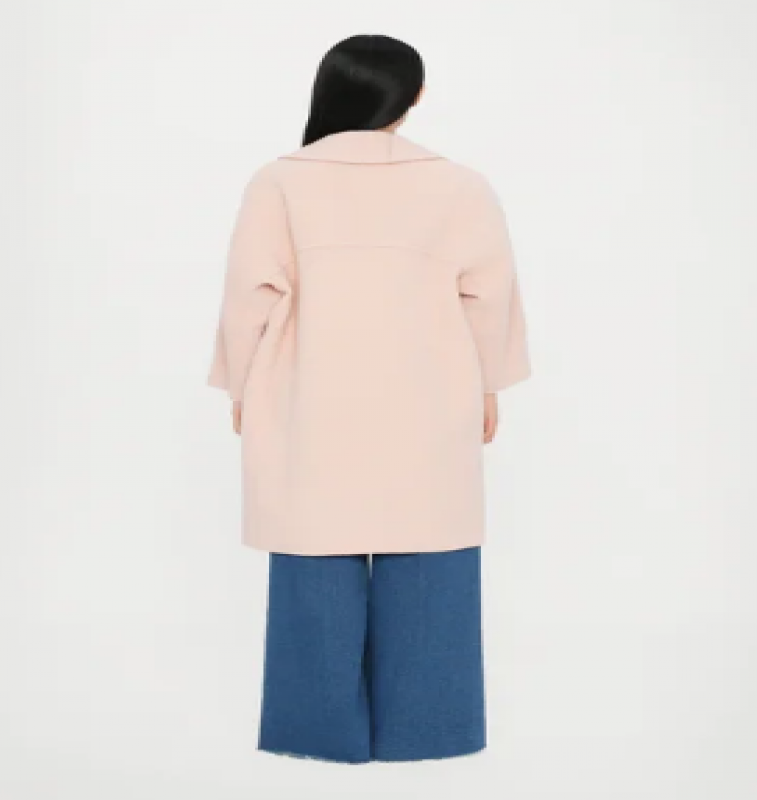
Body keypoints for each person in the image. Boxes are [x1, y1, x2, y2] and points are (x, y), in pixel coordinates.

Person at [207, 34, 530, 764]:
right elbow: (489, 295)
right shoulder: (460, 186)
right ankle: (428, 733)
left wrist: (241, 383)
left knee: (314, 554)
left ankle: (318, 738)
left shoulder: (280, 182)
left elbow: (249, 294)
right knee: (431, 548)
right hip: (429, 396)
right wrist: (487, 382)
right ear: (415, 98)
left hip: (309, 395)